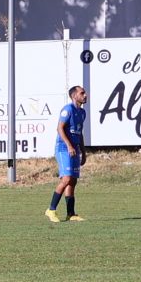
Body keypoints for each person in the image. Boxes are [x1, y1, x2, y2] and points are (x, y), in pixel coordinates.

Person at [48, 84, 88, 223]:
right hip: (63, 148)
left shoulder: (82, 113)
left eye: (85, 93)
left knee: (72, 181)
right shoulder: (67, 110)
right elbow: (59, 128)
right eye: (82, 93)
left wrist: (83, 151)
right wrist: (69, 145)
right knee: (66, 179)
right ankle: (51, 210)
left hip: (75, 148)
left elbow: (79, 132)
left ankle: (71, 214)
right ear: (74, 96)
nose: (85, 95)